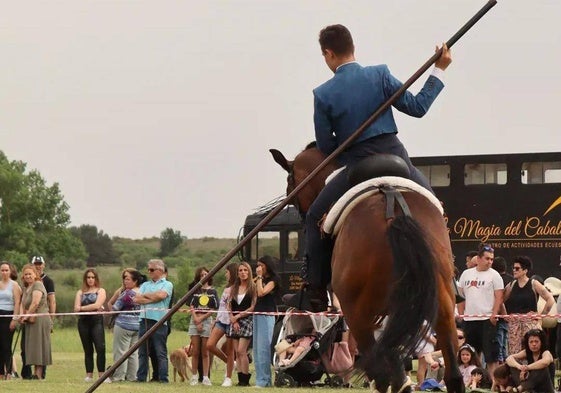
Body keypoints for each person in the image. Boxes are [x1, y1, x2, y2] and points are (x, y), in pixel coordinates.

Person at [291, 24, 452, 311]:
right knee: (437, 210)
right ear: (352, 47)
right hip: (397, 159)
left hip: (357, 166)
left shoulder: (323, 93)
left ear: (328, 54)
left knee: (315, 215)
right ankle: (449, 279)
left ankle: (315, 288)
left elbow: (328, 149)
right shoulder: (379, 74)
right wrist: (439, 68)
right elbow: (417, 107)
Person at [457, 243, 504, 376]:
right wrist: (461, 314)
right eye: (487, 258)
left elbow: (499, 297)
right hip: (470, 320)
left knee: (491, 356)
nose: (490, 262)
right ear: (479, 258)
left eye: (491, 259)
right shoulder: (466, 274)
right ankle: (474, 382)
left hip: (487, 320)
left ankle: (494, 384)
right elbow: (460, 296)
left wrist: (494, 315)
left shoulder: (494, 275)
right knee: (471, 354)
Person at [504, 256, 555, 356]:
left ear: (525, 270)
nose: (514, 270)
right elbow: (500, 300)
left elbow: (550, 299)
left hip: (530, 323)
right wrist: (505, 315)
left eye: (517, 268)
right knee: (515, 353)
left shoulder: (534, 283)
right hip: (515, 326)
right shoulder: (511, 284)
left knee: (533, 350)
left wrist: (541, 315)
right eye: (513, 268)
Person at [133, 259, 173, 383]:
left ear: (160, 270)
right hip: (144, 320)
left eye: (151, 269)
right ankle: (141, 378)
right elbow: (137, 299)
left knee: (160, 351)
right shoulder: (145, 285)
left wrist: (147, 296)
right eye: (148, 269)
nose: (149, 272)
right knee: (142, 351)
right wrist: (153, 297)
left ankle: (163, 378)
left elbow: (161, 296)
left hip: (159, 321)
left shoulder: (167, 284)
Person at [21, 255, 55, 379]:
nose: (28, 276)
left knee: (39, 346)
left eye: (30, 274)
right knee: (32, 346)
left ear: (35, 274)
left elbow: (35, 303)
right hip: (31, 320)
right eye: (26, 274)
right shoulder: (26, 287)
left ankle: (39, 374)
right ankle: (35, 373)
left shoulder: (38, 285)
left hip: (40, 319)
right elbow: (23, 303)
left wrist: (26, 316)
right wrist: (22, 316)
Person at [107, 268, 143, 382]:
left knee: (121, 352)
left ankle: (119, 376)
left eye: (127, 279)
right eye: (124, 279)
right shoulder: (143, 291)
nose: (125, 281)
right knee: (133, 353)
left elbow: (115, 308)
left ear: (135, 280)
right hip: (137, 325)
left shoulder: (128, 293)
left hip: (123, 325)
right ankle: (132, 377)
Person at [207, 262, 238, 387]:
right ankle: (230, 363)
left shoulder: (238, 288)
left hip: (231, 321)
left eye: (227, 272)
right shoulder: (226, 288)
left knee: (230, 350)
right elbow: (222, 307)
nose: (225, 274)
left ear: (232, 272)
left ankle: (228, 378)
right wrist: (216, 320)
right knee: (210, 345)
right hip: (221, 321)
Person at [74, 268, 108, 382]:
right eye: (88, 277)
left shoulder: (101, 290)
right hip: (83, 323)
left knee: (100, 347)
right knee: (88, 349)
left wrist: (82, 308)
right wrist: (90, 308)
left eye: (92, 277)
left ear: (96, 278)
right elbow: (75, 309)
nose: (90, 279)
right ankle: (89, 375)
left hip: (96, 322)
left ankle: (102, 374)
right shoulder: (80, 292)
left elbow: (97, 304)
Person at [187, 267, 218, 386]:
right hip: (194, 321)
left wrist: (201, 319)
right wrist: (196, 319)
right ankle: (194, 376)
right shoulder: (195, 290)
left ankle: (205, 377)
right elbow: (191, 306)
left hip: (206, 321)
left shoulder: (213, 291)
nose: (204, 276)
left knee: (205, 352)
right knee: (195, 351)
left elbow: (214, 308)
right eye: (201, 275)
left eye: (206, 274)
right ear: (198, 277)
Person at [253, 255, 281, 387]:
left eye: (261, 265)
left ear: (267, 266)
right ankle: (260, 379)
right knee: (257, 349)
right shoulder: (260, 279)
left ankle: (265, 381)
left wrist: (259, 278)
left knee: (264, 348)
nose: (258, 268)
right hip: (257, 314)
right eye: (257, 265)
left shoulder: (273, 280)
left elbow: (262, 292)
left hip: (267, 314)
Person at [228, 261, 256, 386]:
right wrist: (232, 318)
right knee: (236, 352)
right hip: (234, 321)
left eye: (245, 270)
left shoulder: (253, 287)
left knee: (241, 351)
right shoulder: (234, 288)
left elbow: (253, 307)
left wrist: (239, 316)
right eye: (240, 270)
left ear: (249, 272)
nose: (243, 272)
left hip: (247, 320)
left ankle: (246, 378)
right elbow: (228, 304)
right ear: (237, 273)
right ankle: (240, 380)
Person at [505, 328, 555, 393]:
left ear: (541, 342)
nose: (534, 344)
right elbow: (509, 359)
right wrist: (520, 367)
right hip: (531, 388)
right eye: (531, 342)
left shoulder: (546, 352)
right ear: (527, 343)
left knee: (542, 366)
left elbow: (545, 362)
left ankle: (520, 389)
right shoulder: (527, 352)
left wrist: (527, 368)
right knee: (513, 365)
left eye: (536, 341)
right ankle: (525, 390)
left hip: (545, 389)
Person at [0, 262, 22, 380]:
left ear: (10, 271)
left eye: (6, 270)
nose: (4, 272)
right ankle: (1, 373)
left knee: (6, 345)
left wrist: (15, 318)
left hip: (8, 315)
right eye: (2, 270)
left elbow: (17, 302)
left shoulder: (14, 285)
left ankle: (8, 373)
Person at [492, 256, 513, 364]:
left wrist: (503, 315)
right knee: (506, 348)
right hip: (511, 318)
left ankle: (501, 369)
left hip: (500, 318)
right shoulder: (512, 280)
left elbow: (499, 300)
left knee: (499, 348)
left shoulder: (495, 280)